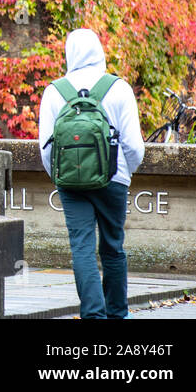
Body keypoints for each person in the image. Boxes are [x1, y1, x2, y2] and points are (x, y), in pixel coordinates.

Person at [38, 28, 145, 319]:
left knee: (82, 248)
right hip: (114, 179)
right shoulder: (119, 88)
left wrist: (60, 178)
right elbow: (134, 146)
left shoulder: (54, 91)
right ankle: (117, 314)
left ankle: (93, 315)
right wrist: (126, 173)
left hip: (71, 183)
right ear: (99, 51)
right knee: (112, 245)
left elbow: (46, 150)